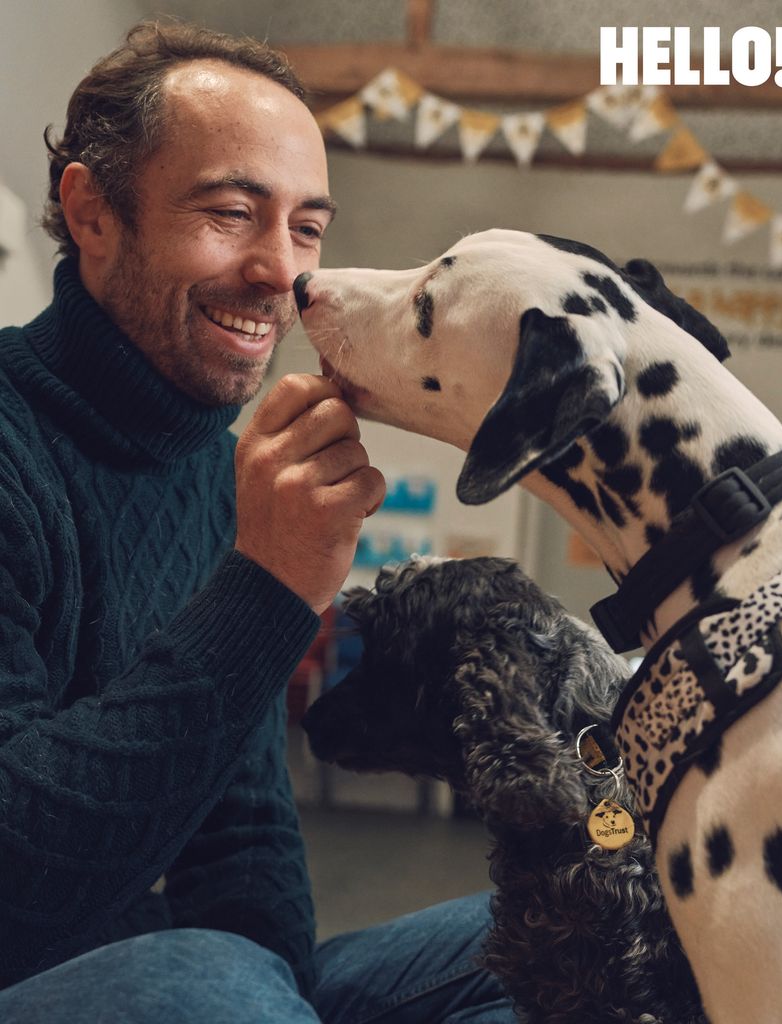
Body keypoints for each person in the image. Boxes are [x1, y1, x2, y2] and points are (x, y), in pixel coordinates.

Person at [0, 19, 515, 1024]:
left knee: (595, 937)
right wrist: (269, 590)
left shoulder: (211, 468)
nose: (285, 271)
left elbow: (238, 838)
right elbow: (18, 878)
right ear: (93, 212)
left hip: (186, 981)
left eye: (308, 226)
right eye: (234, 212)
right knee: (211, 980)